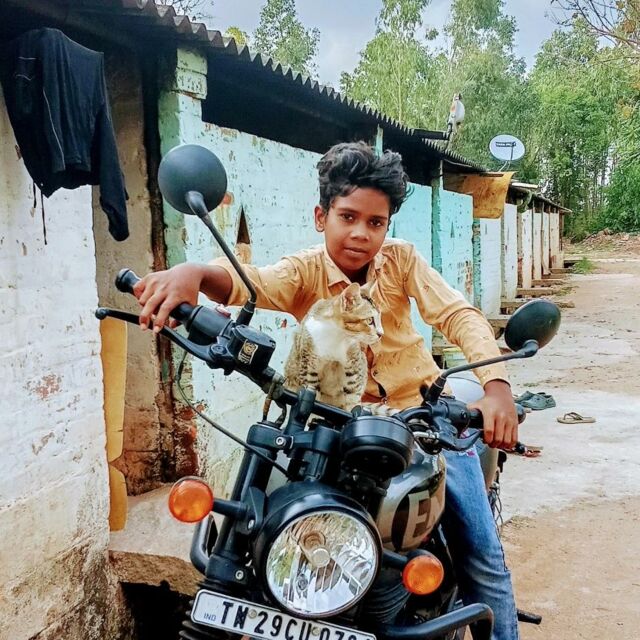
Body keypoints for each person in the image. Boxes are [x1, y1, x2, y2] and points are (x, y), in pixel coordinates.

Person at [134, 141, 520, 640]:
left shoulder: (401, 261)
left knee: (482, 558)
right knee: (261, 525)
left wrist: (497, 387)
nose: (361, 233)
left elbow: (456, 314)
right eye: (347, 217)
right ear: (322, 217)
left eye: (375, 222)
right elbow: (251, 282)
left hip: (420, 422)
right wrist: (192, 273)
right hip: (326, 429)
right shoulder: (305, 271)